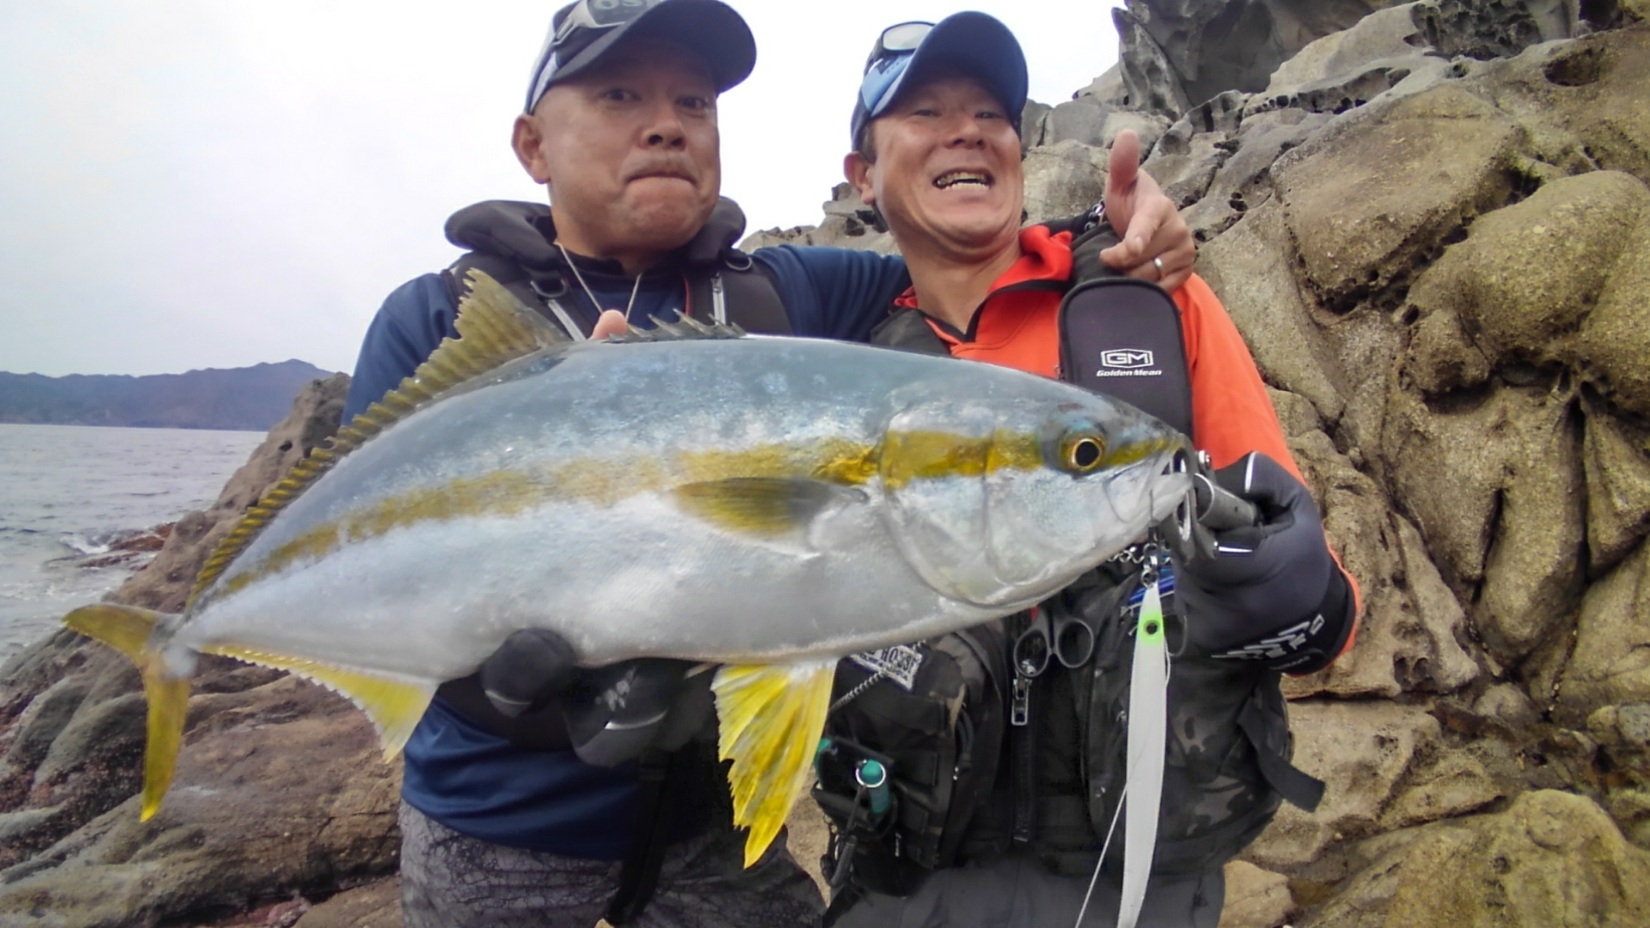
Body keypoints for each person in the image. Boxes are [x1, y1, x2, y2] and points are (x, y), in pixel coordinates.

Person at [340, 2, 1195, 926]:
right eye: (621, 93)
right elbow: (358, 563)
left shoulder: (786, 293)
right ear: (532, 145)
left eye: (695, 102)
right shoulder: (433, 322)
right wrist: (510, 701)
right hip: (491, 841)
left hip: (708, 837)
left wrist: (1116, 235)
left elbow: (958, 250)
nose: (667, 122)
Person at [810, 12, 1362, 928]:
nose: (967, 130)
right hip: (903, 883)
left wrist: (1294, 597)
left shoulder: (1147, 306)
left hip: (1141, 880)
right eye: (924, 111)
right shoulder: (839, 358)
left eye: (991, 111)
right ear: (861, 176)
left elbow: (1319, 606)